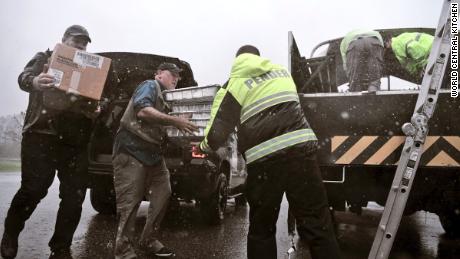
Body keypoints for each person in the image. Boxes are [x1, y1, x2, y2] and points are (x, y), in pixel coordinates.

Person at [197, 45, 341, 259]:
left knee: (262, 229)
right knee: (318, 224)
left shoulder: (234, 85)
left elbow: (218, 131)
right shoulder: (282, 73)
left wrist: (203, 147)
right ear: (258, 58)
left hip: (265, 162)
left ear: (237, 61)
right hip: (301, 154)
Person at [1, 25, 97, 259]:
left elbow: (91, 102)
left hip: (74, 140)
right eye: (76, 42)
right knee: (34, 189)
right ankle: (11, 233)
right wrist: (34, 81)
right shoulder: (44, 57)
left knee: (74, 196)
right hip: (41, 134)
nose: (80, 47)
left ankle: (61, 248)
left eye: (84, 44)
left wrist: (96, 107)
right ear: (63, 41)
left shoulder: (89, 71)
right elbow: (23, 78)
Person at [112, 63, 198, 259]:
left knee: (163, 192)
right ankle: (123, 250)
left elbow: (165, 129)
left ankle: (148, 239)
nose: (176, 79)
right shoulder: (150, 85)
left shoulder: (168, 101)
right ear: (159, 74)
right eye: (172, 74)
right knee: (130, 201)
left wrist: (185, 127)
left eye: (178, 76)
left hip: (153, 154)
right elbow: (142, 111)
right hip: (131, 149)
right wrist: (176, 121)